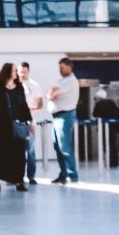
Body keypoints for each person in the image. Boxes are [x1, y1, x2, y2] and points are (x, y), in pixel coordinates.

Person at [0, 63, 33, 191]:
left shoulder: (19, 88)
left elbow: (24, 105)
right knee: (2, 153)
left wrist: (30, 121)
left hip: (17, 124)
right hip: (1, 126)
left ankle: (19, 181)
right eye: (14, 70)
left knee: (18, 154)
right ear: (8, 72)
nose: (16, 73)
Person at [49, 56, 80, 184]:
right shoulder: (62, 80)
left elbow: (52, 92)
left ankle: (72, 175)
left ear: (69, 67)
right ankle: (63, 174)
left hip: (65, 116)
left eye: (62, 68)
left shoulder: (70, 81)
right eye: (59, 68)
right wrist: (52, 94)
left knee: (65, 147)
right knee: (58, 147)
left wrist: (52, 95)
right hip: (57, 117)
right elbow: (51, 92)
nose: (60, 70)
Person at [18, 61, 49, 185]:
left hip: (30, 121)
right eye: (20, 72)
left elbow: (40, 104)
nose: (22, 74)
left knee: (30, 151)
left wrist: (29, 110)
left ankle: (31, 176)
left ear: (28, 72)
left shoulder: (35, 86)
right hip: (17, 122)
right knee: (17, 150)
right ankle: (16, 176)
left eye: (24, 72)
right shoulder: (13, 86)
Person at [92, 88, 119, 168]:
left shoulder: (98, 104)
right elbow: (117, 113)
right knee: (113, 144)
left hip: (103, 128)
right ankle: (114, 162)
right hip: (113, 127)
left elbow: (94, 114)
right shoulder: (111, 103)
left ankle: (107, 161)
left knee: (105, 144)